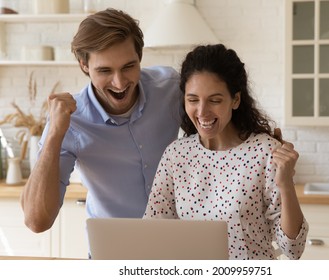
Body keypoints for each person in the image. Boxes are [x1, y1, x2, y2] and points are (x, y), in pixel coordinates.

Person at [21, 8, 299, 240]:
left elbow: (213, 113)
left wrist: (265, 146)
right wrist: (55, 133)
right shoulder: (70, 122)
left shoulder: (169, 88)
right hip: (115, 254)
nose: (119, 83)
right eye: (105, 70)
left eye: (128, 67)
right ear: (84, 65)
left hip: (175, 251)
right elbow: (37, 222)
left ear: (140, 57)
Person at [144, 44, 308, 260]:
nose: (202, 112)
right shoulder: (176, 154)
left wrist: (285, 184)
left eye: (215, 100)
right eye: (193, 100)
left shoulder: (265, 152)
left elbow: (293, 250)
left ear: (236, 100)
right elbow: (152, 232)